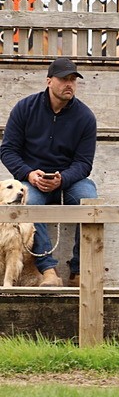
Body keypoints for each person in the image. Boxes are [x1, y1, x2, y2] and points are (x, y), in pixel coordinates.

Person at [0, 57, 98, 287]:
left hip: (69, 179)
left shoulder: (85, 117)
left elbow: (84, 163)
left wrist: (63, 179)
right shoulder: (25, 108)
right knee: (30, 202)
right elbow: (8, 150)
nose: (69, 84)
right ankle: (48, 271)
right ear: (49, 81)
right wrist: (28, 174)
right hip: (32, 179)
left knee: (90, 200)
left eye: (73, 79)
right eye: (64, 79)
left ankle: (79, 271)